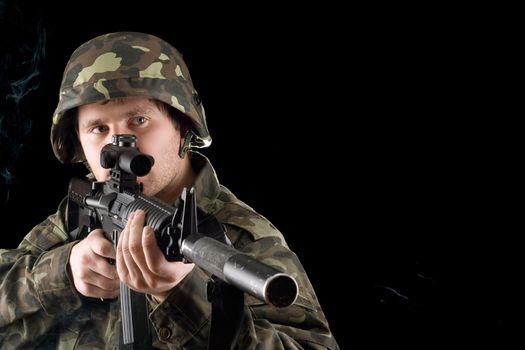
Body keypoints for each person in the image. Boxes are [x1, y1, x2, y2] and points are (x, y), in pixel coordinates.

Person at [0, 31, 338, 349]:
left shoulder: (240, 236)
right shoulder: (81, 213)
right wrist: (62, 272)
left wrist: (180, 295)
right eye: (98, 128)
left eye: (139, 121)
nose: (118, 143)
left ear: (183, 126)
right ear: (78, 142)